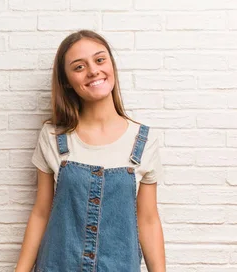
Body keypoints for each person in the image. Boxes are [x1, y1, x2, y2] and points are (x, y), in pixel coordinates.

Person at [15, 30, 166, 272]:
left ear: (111, 65)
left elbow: (148, 220)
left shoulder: (143, 141)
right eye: (78, 67)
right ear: (66, 81)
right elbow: (41, 212)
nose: (93, 71)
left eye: (99, 60)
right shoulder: (53, 137)